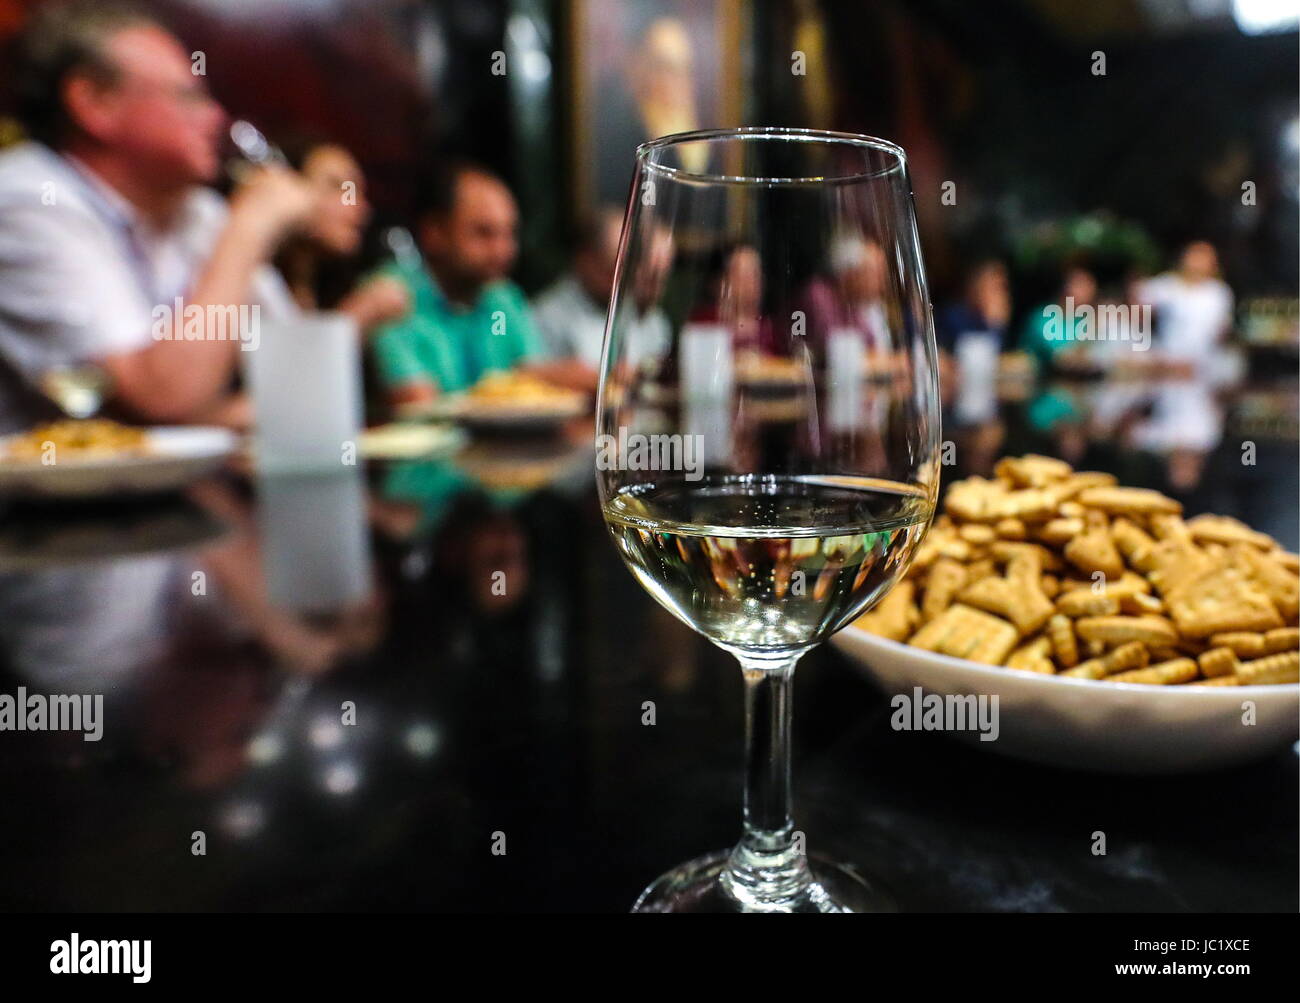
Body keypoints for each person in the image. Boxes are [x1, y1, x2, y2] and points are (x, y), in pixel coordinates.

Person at [0, 1, 325, 432]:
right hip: (47, 498)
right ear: (93, 103)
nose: (216, 116)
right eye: (188, 95)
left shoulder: (197, 211)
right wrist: (249, 229)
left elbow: (304, 385)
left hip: (186, 494)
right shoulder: (26, 202)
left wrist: (211, 416)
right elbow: (160, 398)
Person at [369, 160, 587, 406]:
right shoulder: (392, 295)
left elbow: (536, 373)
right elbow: (416, 403)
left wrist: (604, 378)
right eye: (484, 233)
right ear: (434, 232)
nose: (503, 251)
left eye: (509, 233)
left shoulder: (501, 296)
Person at [275, 136, 408, 332]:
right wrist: (356, 318)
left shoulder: (323, 291)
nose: (361, 208)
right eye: (339, 186)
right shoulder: (254, 282)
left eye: (358, 193)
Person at [532, 207, 670, 381]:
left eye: (629, 266)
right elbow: (532, 380)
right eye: (612, 268)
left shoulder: (651, 318)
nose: (623, 278)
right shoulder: (545, 316)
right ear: (584, 258)